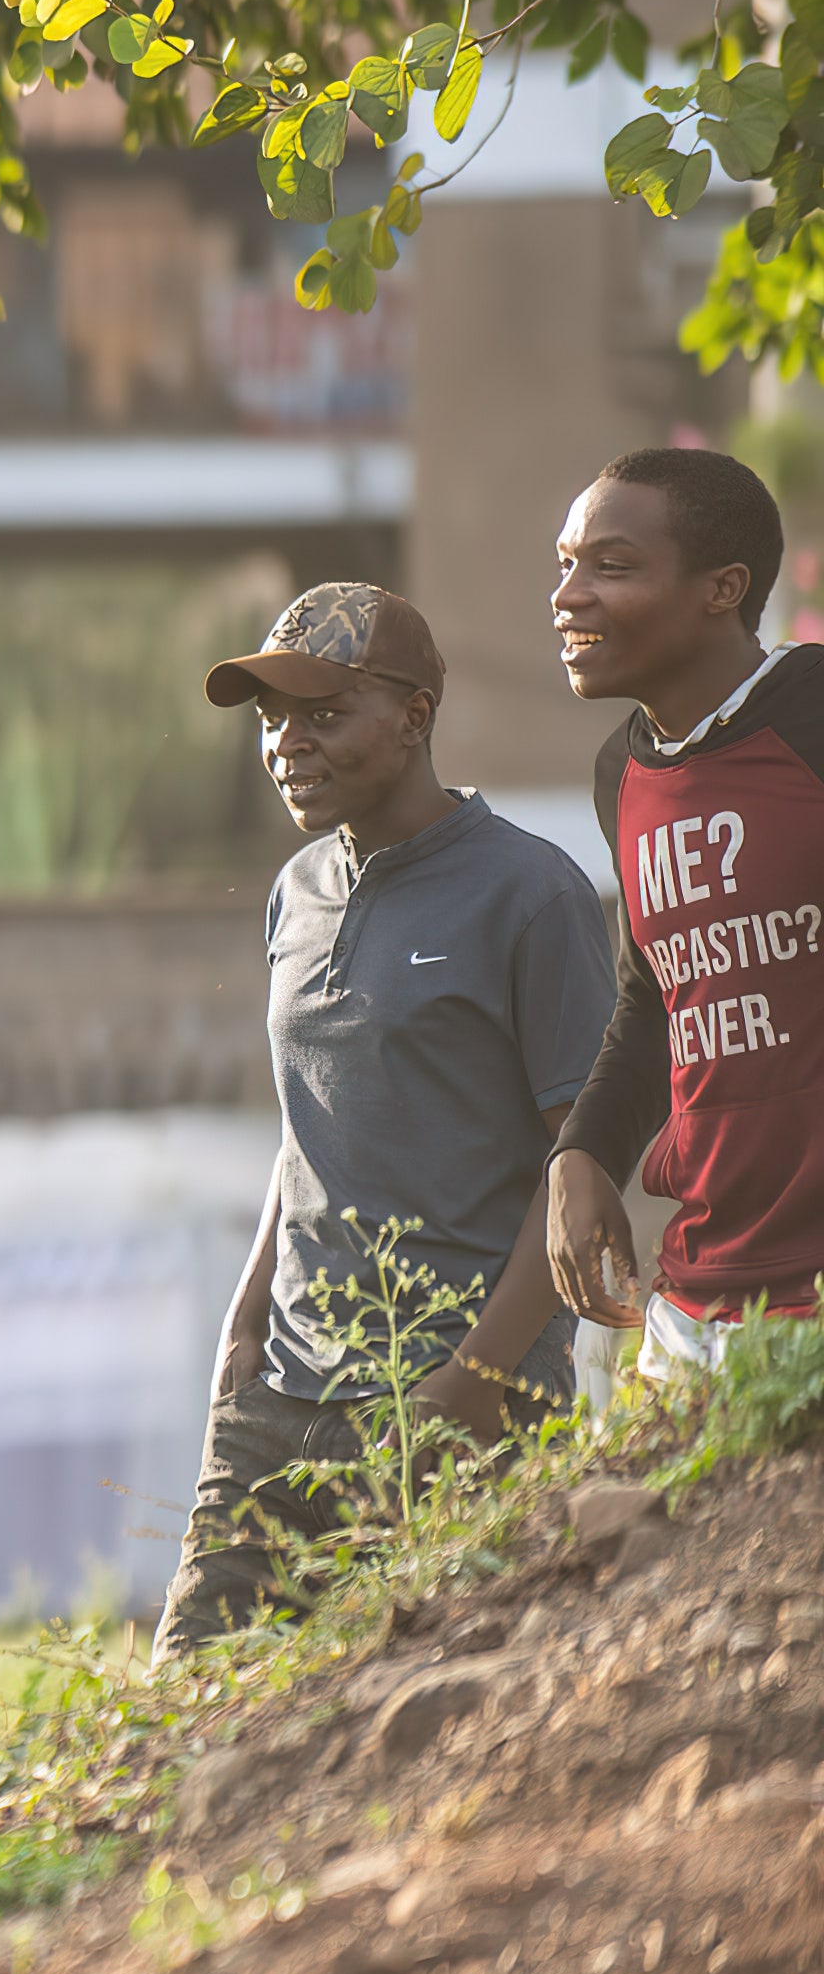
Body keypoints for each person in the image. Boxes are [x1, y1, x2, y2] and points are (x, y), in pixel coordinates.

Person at [152, 585, 613, 1661]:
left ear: (412, 715)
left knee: (413, 1728)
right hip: (282, 1391)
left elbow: (581, 1163)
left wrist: (479, 1374)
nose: (285, 744)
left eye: (321, 712)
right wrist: (246, 1305)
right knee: (181, 1712)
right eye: (269, 719)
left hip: (453, 1392)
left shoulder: (530, 894)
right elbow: (305, 1122)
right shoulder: (295, 890)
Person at [543, 447, 824, 1379]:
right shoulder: (620, 773)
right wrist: (584, 1153)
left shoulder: (814, 713)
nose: (569, 595)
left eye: (611, 567)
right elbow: (656, 1000)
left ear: (722, 588)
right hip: (695, 1302)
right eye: (567, 564)